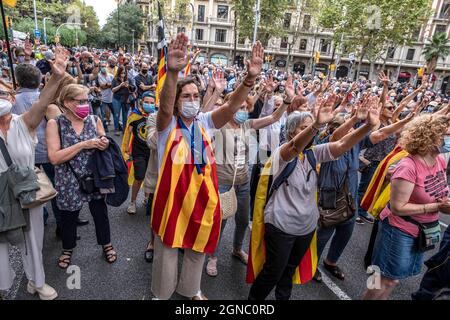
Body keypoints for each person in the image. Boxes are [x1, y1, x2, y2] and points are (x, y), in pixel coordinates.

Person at [151, 33, 264, 300]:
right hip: (173, 203)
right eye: (185, 96)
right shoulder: (167, 125)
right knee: (167, 250)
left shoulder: (204, 121)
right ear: (177, 101)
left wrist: (249, 80)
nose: (191, 100)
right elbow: (165, 108)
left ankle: (192, 290)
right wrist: (173, 72)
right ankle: (161, 294)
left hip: (204, 200)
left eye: (194, 95)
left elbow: (232, 106)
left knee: (198, 249)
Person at [248, 93, 380, 300]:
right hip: (281, 227)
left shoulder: (313, 152)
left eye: (310, 128)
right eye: (303, 128)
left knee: (289, 271)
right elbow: (294, 147)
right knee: (272, 272)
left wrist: (366, 126)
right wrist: (316, 126)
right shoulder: (281, 155)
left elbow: (343, 145)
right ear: (291, 132)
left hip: (306, 227)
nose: (310, 133)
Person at [313, 98, 418, 282]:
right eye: (351, 130)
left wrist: (406, 120)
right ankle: (312, 264)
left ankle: (330, 262)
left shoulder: (355, 145)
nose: (354, 134)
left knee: (345, 232)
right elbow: (337, 136)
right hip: (329, 196)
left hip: (350, 196)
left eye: (355, 131)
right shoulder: (326, 144)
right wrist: (354, 119)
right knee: (324, 233)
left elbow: (382, 133)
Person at [206, 75, 294, 277]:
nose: (244, 112)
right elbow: (205, 114)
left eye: (246, 108)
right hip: (223, 183)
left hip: (243, 181)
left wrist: (287, 101)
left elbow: (273, 118)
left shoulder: (247, 125)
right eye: (240, 108)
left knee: (243, 220)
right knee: (221, 222)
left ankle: (237, 249)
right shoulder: (218, 125)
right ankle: (212, 257)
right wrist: (215, 92)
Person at [0, 47, 67, 300]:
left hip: (26, 192)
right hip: (0, 197)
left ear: (13, 98)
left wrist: (57, 77)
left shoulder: (24, 122)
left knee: (32, 240)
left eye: (5, 92)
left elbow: (42, 102)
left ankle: (37, 282)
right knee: (1, 244)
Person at [362, 114, 450, 300]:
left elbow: (438, 189)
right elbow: (398, 207)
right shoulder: (408, 166)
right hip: (398, 229)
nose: (447, 139)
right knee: (380, 277)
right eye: (443, 136)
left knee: (393, 279)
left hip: (422, 231)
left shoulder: (440, 160)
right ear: (429, 138)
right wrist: (434, 206)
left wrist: (445, 202)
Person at [46, 84, 117, 270]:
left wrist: (103, 142)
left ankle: (106, 244)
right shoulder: (55, 124)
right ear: (67, 102)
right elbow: (54, 157)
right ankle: (67, 248)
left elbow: (104, 139)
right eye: (81, 101)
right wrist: (84, 144)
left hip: (94, 177)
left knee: (100, 214)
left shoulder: (94, 120)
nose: (86, 104)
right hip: (68, 179)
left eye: (87, 100)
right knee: (68, 217)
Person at [122, 92, 156, 214]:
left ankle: (147, 198)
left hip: (153, 152)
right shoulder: (134, 116)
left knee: (150, 176)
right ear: (141, 102)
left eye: (152, 103)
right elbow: (127, 134)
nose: (149, 104)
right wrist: (125, 151)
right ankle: (132, 201)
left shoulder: (157, 116)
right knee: (139, 176)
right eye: (147, 102)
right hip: (138, 152)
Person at [112, 66, 132, 135]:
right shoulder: (115, 79)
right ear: (119, 72)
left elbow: (133, 89)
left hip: (125, 99)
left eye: (124, 73)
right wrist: (120, 85)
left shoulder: (128, 79)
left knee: (125, 115)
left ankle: (124, 130)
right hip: (117, 99)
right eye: (121, 73)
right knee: (116, 115)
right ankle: (116, 129)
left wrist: (128, 86)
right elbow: (113, 90)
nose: (123, 74)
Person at [97, 61, 114, 129]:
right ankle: (105, 127)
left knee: (114, 112)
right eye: (102, 66)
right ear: (99, 67)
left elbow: (113, 85)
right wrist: (108, 85)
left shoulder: (111, 75)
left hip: (111, 97)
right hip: (102, 97)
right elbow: (101, 86)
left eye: (104, 66)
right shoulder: (98, 75)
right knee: (103, 114)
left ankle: (117, 126)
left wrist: (106, 85)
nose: (103, 68)